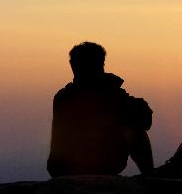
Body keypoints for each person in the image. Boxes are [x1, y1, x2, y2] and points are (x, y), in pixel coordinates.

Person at [47, 42, 154, 177]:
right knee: (135, 130)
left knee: (133, 125)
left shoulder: (63, 96)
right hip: (91, 166)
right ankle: (150, 176)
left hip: (61, 169)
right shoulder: (107, 93)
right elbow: (144, 120)